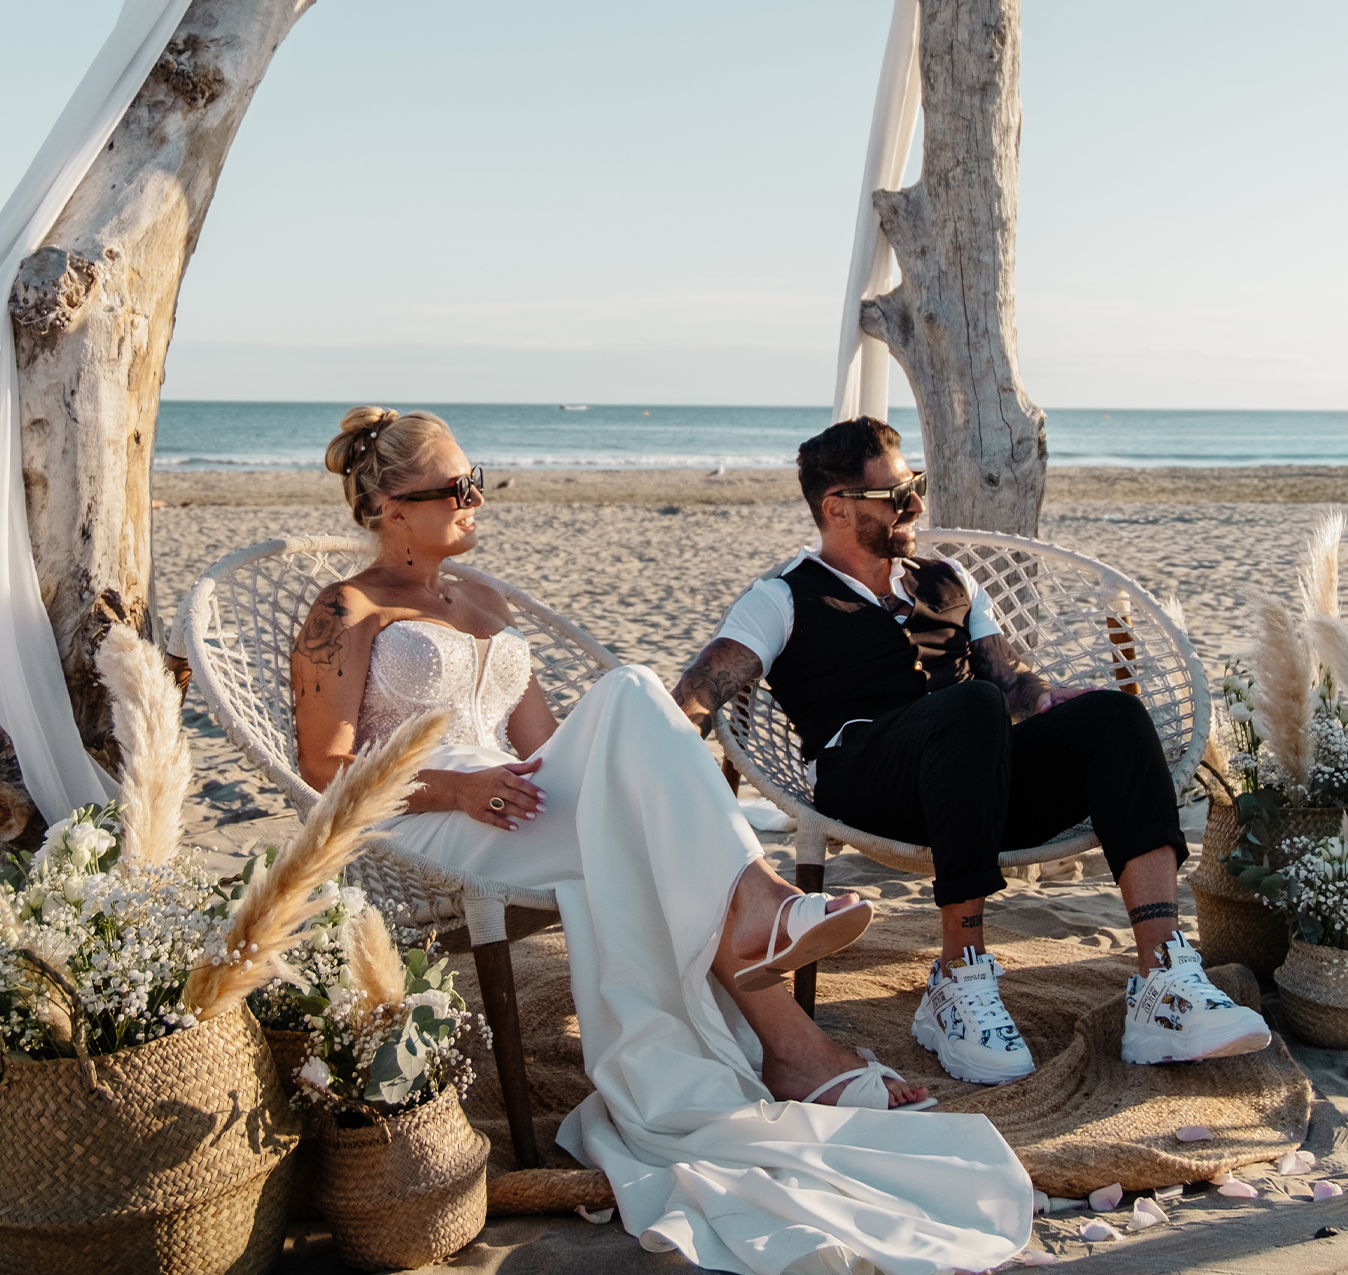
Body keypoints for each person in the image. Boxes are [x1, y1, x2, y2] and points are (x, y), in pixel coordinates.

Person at [291, 405, 1034, 1275]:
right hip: (436, 817)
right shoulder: (347, 609)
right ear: (388, 506)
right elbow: (326, 769)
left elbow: (548, 744)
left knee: (633, 703)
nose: (476, 498)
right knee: (638, 698)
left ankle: (783, 1001)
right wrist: (462, 786)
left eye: (478, 478)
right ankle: (779, 966)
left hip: (519, 793)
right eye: (456, 488)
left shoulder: (482, 599)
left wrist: (636, 772)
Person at [672, 416, 1271, 1088]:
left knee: (1113, 715)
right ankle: (959, 977)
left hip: (976, 791)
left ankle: (1163, 981)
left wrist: (1053, 700)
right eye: (897, 495)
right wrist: (661, 760)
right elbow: (698, 691)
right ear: (836, 508)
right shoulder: (783, 596)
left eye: (916, 485)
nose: (918, 505)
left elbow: (1012, 685)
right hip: (868, 782)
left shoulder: (947, 578)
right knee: (969, 706)